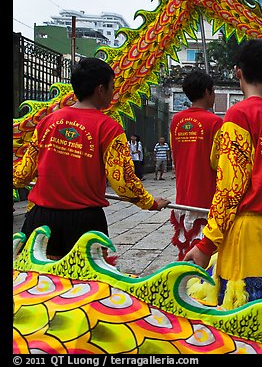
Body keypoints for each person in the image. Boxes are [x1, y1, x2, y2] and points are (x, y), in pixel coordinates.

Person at [182, 38, 262, 310]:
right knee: (257, 301)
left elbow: (230, 185)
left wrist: (206, 244)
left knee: (236, 310)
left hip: (246, 226)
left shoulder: (240, 114)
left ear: (238, 72)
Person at [12, 57, 170, 260]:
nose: (113, 93)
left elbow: (23, 174)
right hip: (84, 224)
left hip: (41, 220)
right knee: (88, 288)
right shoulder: (109, 129)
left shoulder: (47, 122)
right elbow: (122, 181)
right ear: (100, 89)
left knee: (40, 287)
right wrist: (151, 203)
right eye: (112, 87)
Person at [169, 69, 223, 261]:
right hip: (207, 198)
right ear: (208, 92)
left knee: (186, 250)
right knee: (208, 256)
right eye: (214, 91)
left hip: (183, 196)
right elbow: (218, 162)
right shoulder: (216, 122)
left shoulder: (176, 121)